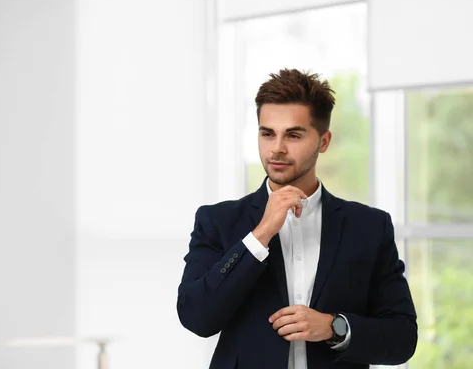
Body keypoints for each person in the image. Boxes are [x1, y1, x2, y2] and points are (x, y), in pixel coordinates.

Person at [176, 69, 417, 369]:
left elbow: (403, 338)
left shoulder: (369, 227)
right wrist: (260, 234)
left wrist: (334, 327)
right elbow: (196, 316)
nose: (277, 147)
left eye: (293, 135)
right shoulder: (217, 221)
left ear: (324, 141)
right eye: (267, 133)